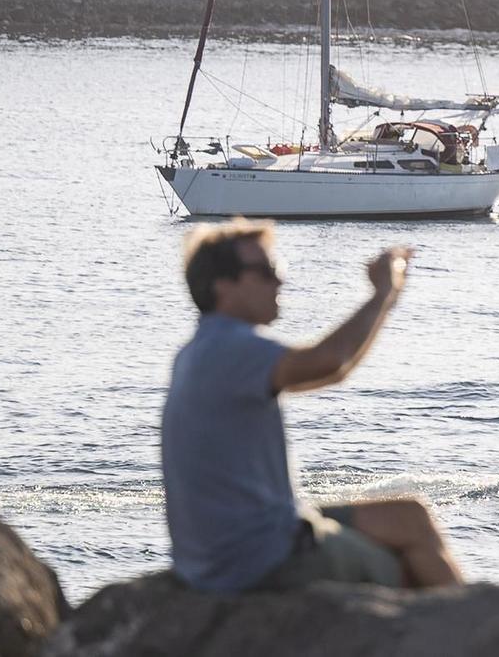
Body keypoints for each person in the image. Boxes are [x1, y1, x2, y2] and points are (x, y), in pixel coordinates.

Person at [161, 220, 462, 593]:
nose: (280, 281)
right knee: (403, 566)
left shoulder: (199, 350)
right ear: (224, 286)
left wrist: (388, 297)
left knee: (410, 516)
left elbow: (334, 371)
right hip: (258, 556)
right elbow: (329, 360)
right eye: (267, 271)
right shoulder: (232, 346)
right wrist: (382, 292)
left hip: (226, 550)